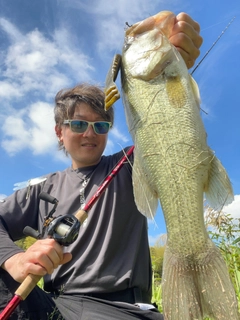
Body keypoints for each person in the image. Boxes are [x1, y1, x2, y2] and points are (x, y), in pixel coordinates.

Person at [0, 12, 203, 320]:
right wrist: (14, 259)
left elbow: (167, 133)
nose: (90, 133)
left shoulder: (130, 163)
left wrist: (172, 75)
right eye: (79, 123)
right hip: (56, 305)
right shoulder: (40, 189)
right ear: (60, 131)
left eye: (101, 125)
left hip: (124, 310)